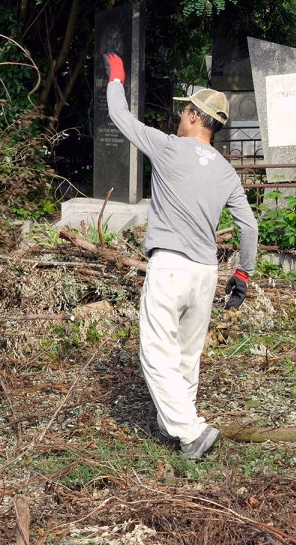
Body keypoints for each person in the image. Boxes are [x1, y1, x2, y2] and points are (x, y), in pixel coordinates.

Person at [104, 53, 258, 460]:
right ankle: (174, 421)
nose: (180, 117)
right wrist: (242, 275)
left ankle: (191, 432)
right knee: (187, 355)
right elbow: (250, 227)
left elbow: (121, 118)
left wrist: (117, 78)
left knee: (156, 352)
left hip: (170, 265)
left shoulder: (169, 147)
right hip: (206, 272)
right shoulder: (226, 171)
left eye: (183, 111)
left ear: (193, 115)